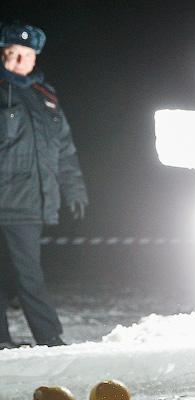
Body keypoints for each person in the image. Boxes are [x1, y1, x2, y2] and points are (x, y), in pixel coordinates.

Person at [0, 22, 88, 349]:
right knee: (29, 275)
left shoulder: (46, 97)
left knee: (10, 274)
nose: (19, 61)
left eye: (26, 55)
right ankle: (50, 339)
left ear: (34, 58)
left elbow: (64, 149)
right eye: (11, 54)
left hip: (34, 201)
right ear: (2, 55)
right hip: (9, 199)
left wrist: (74, 189)